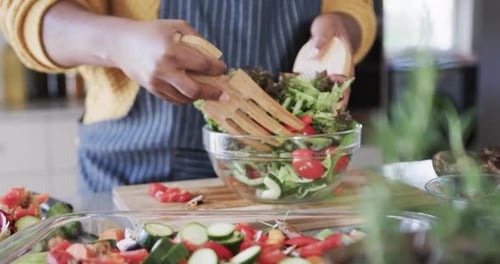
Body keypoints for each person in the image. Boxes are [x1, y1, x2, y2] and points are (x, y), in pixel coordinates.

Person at [0, 0, 377, 193]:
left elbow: (353, 8)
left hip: (284, 169)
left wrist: (339, 32)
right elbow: (28, 12)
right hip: (133, 168)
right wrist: (121, 43)